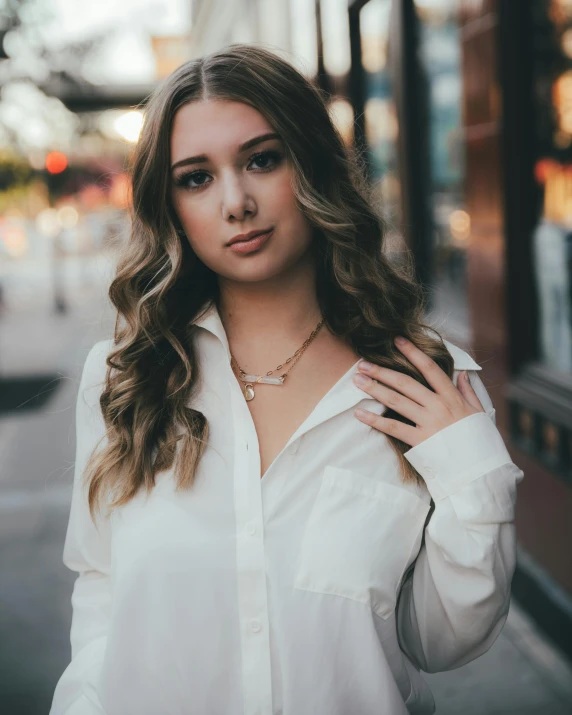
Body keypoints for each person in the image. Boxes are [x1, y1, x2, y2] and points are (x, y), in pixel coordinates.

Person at [50, 43, 524, 715]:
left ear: (311, 164)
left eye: (261, 160)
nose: (236, 202)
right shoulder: (124, 378)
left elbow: (438, 638)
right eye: (196, 177)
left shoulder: (418, 385)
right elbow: (100, 588)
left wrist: (474, 478)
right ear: (170, 203)